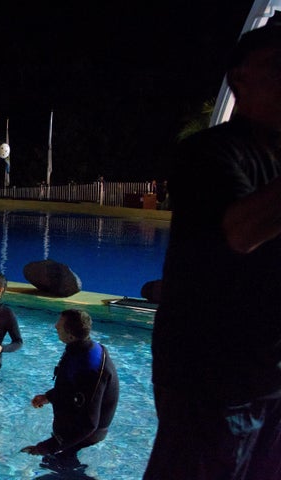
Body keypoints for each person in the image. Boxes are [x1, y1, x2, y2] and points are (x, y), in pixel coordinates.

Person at [145, 24, 281, 480]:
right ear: (239, 79)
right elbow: (241, 231)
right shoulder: (209, 153)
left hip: (270, 377)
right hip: (212, 381)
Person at [21, 309, 119, 471]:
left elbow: (89, 424)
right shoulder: (81, 348)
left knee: (56, 467)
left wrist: (48, 446)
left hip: (83, 437)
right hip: (72, 429)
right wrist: (48, 397)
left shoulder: (90, 366)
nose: (55, 327)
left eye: (59, 327)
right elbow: (71, 386)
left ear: (71, 335)